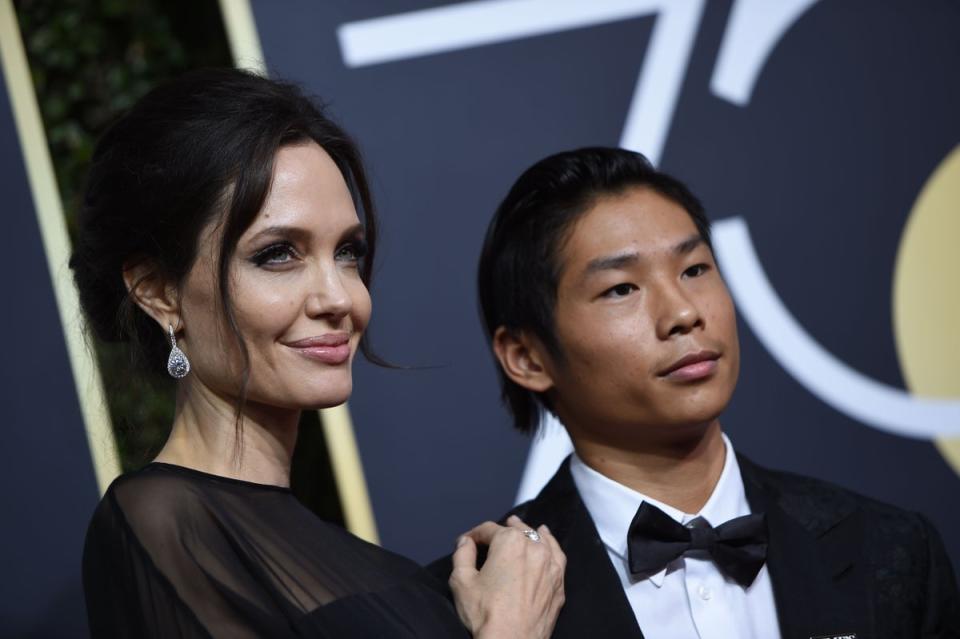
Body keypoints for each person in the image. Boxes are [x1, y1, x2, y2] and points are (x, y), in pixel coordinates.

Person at [73, 68, 565, 638]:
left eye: (348, 253)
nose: (340, 298)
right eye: (278, 254)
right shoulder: (161, 525)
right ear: (159, 292)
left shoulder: (358, 562)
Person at [431, 147, 960, 638]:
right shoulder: (468, 602)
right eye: (622, 289)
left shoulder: (890, 548)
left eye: (695, 268)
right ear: (527, 357)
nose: (684, 312)